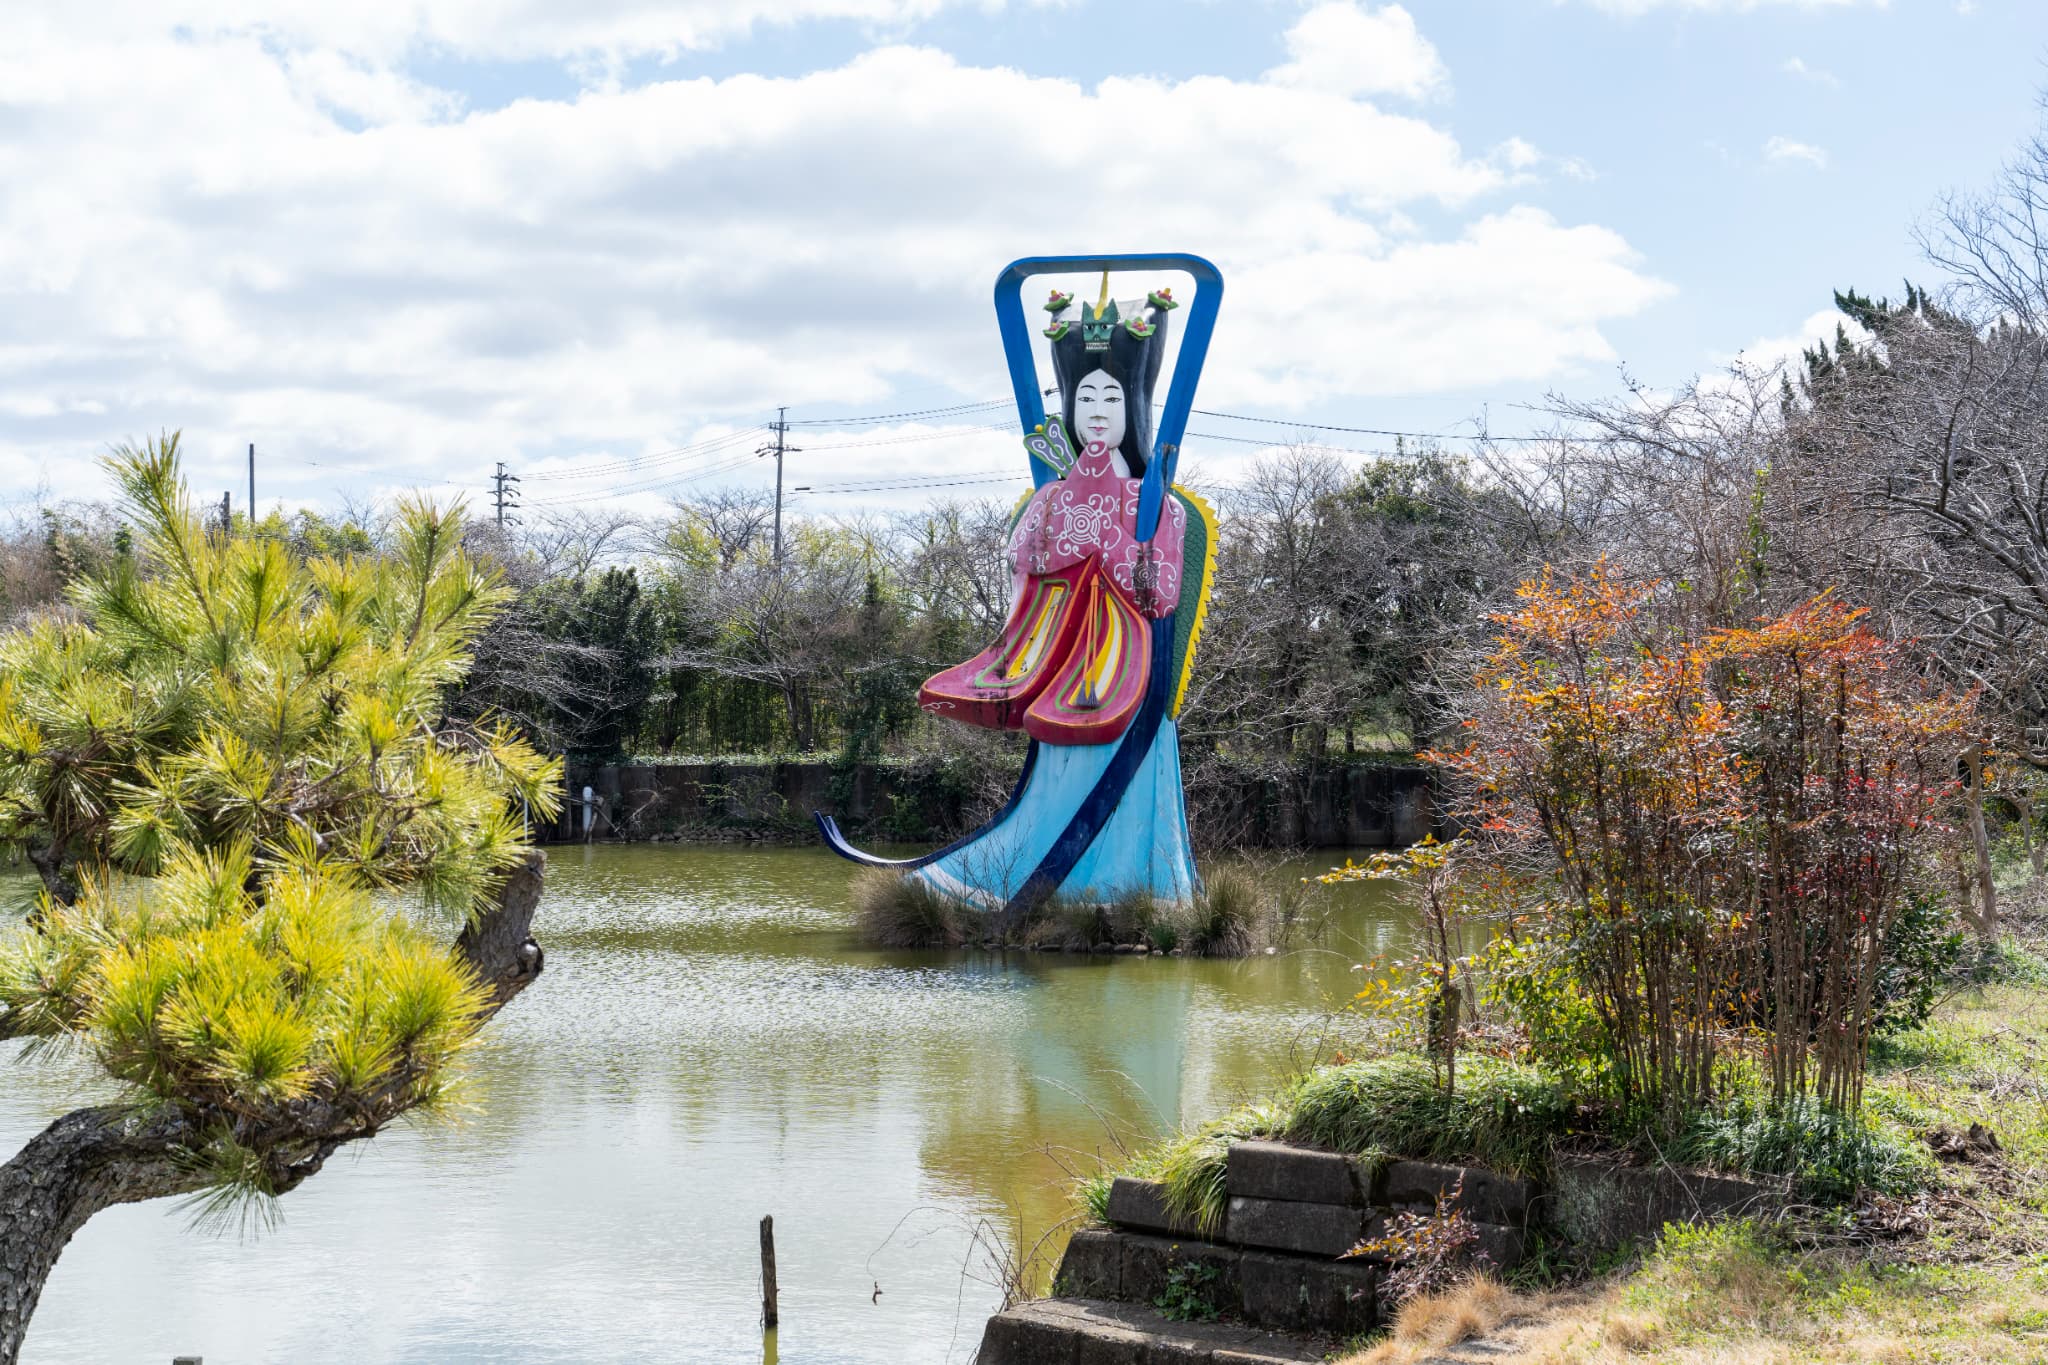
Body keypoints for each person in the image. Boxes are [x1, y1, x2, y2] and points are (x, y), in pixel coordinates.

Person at [820, 275, 1216, 916]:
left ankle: (1135, 898)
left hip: (1126, 667)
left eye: (1111, 396)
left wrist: (1126, 549)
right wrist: (1072, 534)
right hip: (1062, 656)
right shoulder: (1050, 498)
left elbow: (1163, 591)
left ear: (1134, 408)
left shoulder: (1162, 506)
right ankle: (1035, 888)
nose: (1095, 409)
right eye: (1083, 395)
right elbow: (1026, 562)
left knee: (1126, 775)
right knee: (1052, 779)